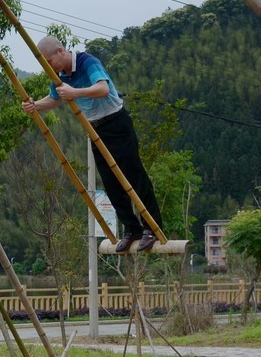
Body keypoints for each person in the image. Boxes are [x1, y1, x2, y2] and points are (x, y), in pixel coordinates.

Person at [22, 35, 163, 253]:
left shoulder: (88, 62)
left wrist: (74, 92)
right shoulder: (58, 75)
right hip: (95, 130)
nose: (48, 68)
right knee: (111, 183)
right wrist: (35, 105)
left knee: (133, 176)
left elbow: (103, 89)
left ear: (60, 51)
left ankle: (151, 228)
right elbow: (55, 98)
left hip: (116, 123)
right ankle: (131, 228)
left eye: (49, 62)